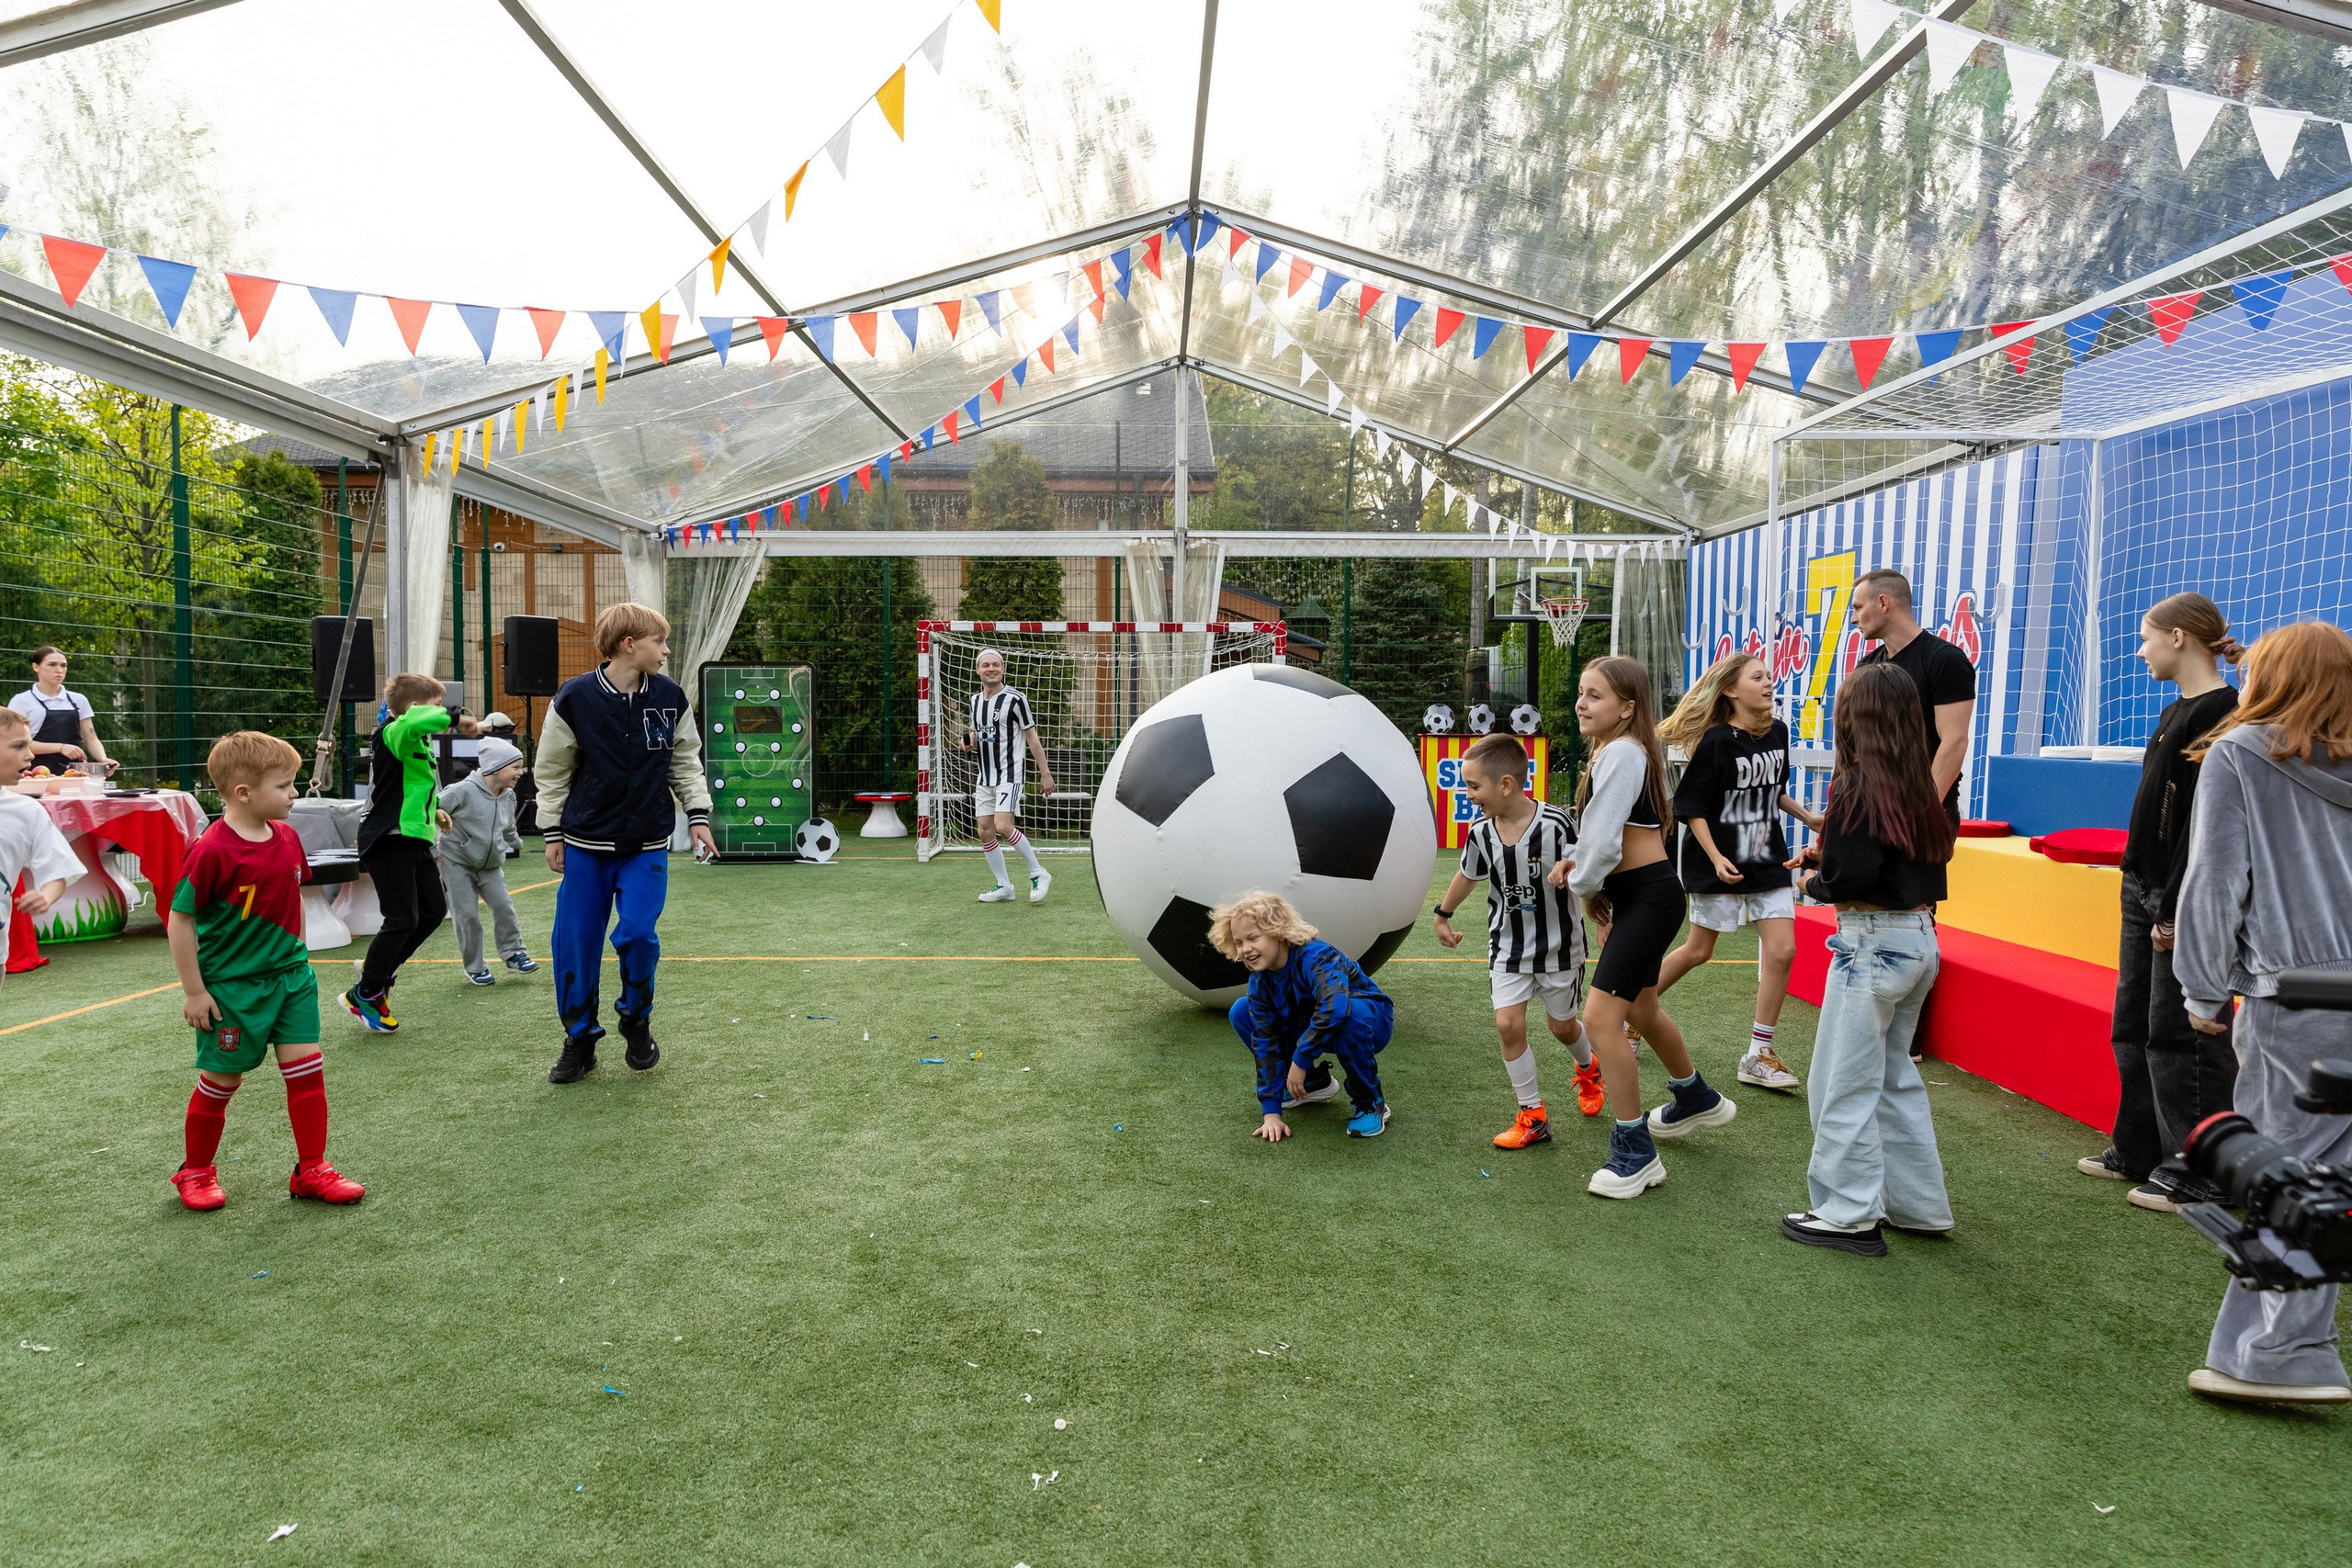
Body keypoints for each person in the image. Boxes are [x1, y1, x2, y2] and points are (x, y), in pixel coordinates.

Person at [2175, 620, 2352, 1407]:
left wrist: (2202, 987)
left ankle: (2283, 1354)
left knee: (2288, 1173)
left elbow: (2215, 880)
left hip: (2298, 999)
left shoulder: (2241, 753)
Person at [1780, 662, 1957, 1257]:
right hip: (1916, 939)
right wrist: (1826, 860)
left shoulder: (1858, 785)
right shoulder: (1918, 786)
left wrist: (1813, 883)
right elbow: (1890, 862)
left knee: (1841, 1082)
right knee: (1892, 1079)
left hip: (1871, 943)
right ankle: (1919, 1205)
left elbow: (1851, 877)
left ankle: (1848, 1210)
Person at [2078, 593, 2243, 1213]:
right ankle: (2139, 1146)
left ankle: (2201, 1169)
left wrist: (2175, 905)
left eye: (2146, 638)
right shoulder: (2178, 709)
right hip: (2141, 884)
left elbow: (2205, 826)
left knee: (2183, 1032)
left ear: (2179, 637)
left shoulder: (2224, 713)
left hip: (2178, 893)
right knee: (2135, 1024)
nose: (2140, 649)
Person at [166, 731, 364, 1211]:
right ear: (243, 793)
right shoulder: (212, 849)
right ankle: (194, 1173)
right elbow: (180, 918)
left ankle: (311, 1169)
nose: (295, 793)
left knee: (307, 1072)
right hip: (234, 991)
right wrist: (195, 992)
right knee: (222, 1083)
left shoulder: (289, 837)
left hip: (292, 979)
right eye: (285, 785)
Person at [1566, 656, 1735, 1200]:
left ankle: (1636, 1152)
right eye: (1581, 693)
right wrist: (1586, 872)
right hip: (1643, 895)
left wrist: (1584, 885)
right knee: (1641, 1007)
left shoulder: (1620, 752)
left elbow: (1604, 840)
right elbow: (1601, 838)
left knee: (1599, 1018)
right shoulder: (1621, 751)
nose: (1582, 703)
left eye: (1595, 695)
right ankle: (1694, 1098)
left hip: (1647, 898)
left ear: (1627, 708)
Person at [537, 602, 716, 1085]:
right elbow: (552, 772)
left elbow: (685, 762)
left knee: (638, 934)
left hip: (646, 845)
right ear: (628, 644)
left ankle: (636, 1020)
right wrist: (552, 831)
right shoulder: (573, 698)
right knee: (576, 943)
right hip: (585, 845)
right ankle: (580, 1039)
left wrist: (698, 816)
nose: (667, 649)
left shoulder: (670, 696)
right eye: (660, 641)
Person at [1657, 651, 1824, 1092]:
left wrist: (1809, 819)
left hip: (1767, 859)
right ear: (1731, 690)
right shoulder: (1715, 742)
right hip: (1719, 863)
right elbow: (1690, 808)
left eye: (1769, 676)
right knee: (1698, 951)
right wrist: (1714, 857)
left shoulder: (1779, 733)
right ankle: (1637, 1012)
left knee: (1783, 951)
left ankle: (1758, 1053)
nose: (1769, 682)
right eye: (1757, 677)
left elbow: (1772, 791)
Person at [1433, 732, 1601, 1147]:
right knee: (1508, 1025)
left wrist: (1592, 901)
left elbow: (1588, 862)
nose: (1470, 795)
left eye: (1474, 786)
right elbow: (1468, 874)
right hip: (1507, 948)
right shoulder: (1480, 833)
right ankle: (1532, 1115)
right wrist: (1442, 914)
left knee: (1562, 1027)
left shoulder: (1557, 823)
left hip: (1560, 949)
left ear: (1505, 784)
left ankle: (1588, 1069)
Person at [343, 673, 479, 1032]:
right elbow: (421, 719)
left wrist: (434, 811)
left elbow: (403, 785)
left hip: (411, 837)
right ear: (416, 709)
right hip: (388, 839)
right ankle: (368, 992)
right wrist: (456, 717)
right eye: (436, 705)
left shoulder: (410, 736)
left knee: (433, 911)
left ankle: (378, 969)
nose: (441, 715)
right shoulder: (394, 731)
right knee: (402, 918)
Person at [1214, 890, 1395, 1142]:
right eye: (1240, 942)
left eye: (1253, 938)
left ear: (1277, 932)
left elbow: (1334, 1007)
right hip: (1312, 1021)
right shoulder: (1260, 982)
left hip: (1370, 1021)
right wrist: (1271, 1114)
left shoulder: (1316, 955)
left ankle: (1370, 1101)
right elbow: (1267, 1042)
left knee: (1347, 1015)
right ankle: (1309, 1084)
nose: (1246, 949)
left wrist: (1300, 1060)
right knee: (1242, 1011)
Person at [1851, 570, 1975, 825]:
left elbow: (1954, 741)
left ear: (1883, 603)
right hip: (1872, 807)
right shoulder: (1866, 667)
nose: (1854, 619)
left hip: (1923, 811)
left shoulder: (1944, 660)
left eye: (1858, 607)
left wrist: (1922, 813)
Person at [435, 736, 538, 987]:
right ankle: (475, 966)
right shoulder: (461, 791)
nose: (520, 773)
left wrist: (516, 842)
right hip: (456, 861)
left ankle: (514, 954)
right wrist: (438, 830)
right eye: (515, 767)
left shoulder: (509, 796)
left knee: (504, 907)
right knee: (467, 915)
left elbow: (508, 824)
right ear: (496, 767)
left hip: (490, 863)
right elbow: (432, 809)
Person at [963, 649, 1057, 905]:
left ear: (1003, 669)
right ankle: (1004, 886)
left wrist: (1045, 774)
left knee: (1003, 826)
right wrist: (969, 742)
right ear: (978, 670)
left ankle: (1039, 872)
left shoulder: (1016, 699)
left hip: (1009, 774)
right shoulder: (974, 702)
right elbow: (975, 732)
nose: (991, 668)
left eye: (995, 665)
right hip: (985, 777)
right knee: (985, 831)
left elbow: (1032, 738)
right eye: (985, 665)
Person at [0, 706, 83, 997]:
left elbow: (59, 871)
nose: (30, 755)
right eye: (18, 746)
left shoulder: (27, 812)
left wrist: (45, 895)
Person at [9, 646, 113, 776]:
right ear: (36, 667)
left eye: (63, 665)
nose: (59, 670)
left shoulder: (78, 700)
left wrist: (104, 760)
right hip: (34, 774)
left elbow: (90, 738)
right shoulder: (22, 701)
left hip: (74, 774)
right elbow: (17, 743)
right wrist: (61, 747)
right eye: (52, 665)